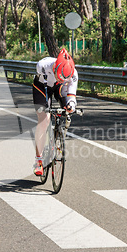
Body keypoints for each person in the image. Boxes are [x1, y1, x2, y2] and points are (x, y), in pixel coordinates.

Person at [32, 47, 78, 176]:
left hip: (59, 88)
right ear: (55, 68)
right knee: (44, 119)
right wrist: (44, 110)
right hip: (42, 86)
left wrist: (71, 105)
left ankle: (59, 136)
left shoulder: (73, 74)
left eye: (65, 78)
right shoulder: (43, 65)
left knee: (68, 110)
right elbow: (46, 94)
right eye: (60, 77)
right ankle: (39, 160)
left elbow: (71, 94)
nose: (61, 79)